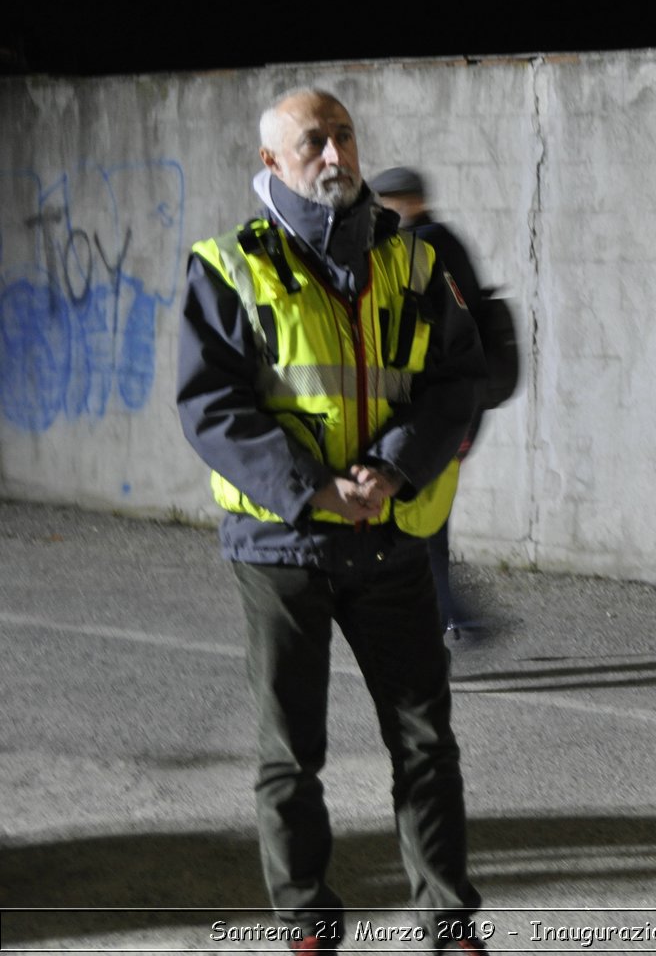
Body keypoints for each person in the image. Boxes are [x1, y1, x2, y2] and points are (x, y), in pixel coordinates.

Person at [176, 87, 491, 955]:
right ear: (272, 162)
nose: (335, 154)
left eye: (344, 135)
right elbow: (210, 408)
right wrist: (311, 488)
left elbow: (457, 379)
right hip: (283, 545)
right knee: (291, 752)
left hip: (388, 535)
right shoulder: (226, 264)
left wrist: (394, 465)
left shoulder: (413, 258)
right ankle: (308, 922)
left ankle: (448, 920)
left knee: (426, 741)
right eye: (313, 141)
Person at [370, 165, 488, 640]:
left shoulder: (428, 246)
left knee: (425, 514)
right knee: (425, 514)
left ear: (408, 201)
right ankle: (452, 615)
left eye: (387, 202)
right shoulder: (438, 241)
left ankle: (452, 617)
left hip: (446, 407)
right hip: (451, 404)